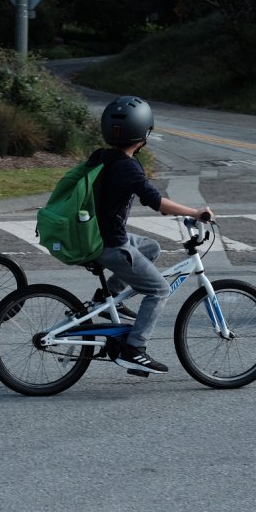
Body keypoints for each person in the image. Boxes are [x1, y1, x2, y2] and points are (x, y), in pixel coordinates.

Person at [90, 96, 214, 374]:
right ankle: (134, 348)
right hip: (111, 245)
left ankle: (106, 297)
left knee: (150, 247)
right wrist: (195, 213)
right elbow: (157, 202)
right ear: (144, 133)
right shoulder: (128, 167)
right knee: (158, 289)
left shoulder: (103, 157)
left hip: (98, 236)